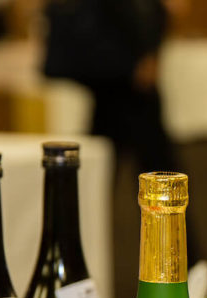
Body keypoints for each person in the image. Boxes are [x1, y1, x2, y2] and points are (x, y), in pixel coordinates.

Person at [42, 0, 176, 177]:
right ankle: (166, 201)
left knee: (123, 154)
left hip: (118, 70)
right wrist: (149, 53)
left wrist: (149, 53)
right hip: (118, 70)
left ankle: (165, 200)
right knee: (145, 155)